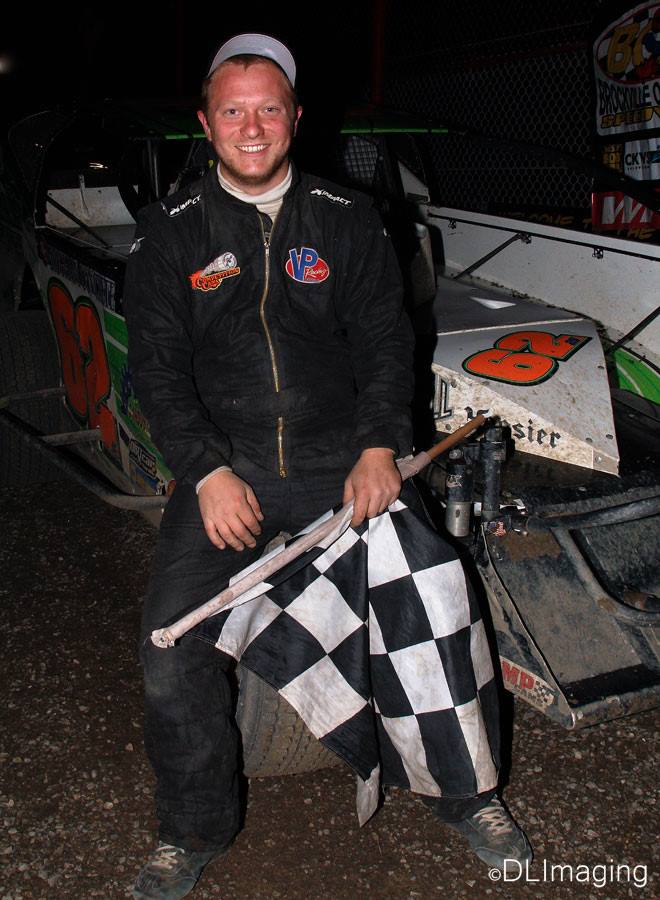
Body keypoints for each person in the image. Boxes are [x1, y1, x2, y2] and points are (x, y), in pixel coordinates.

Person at [124, 33, 531, 900]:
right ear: (206, 123)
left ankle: (469, 796)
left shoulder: (346, 217)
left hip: (341, 459)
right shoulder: (170, 232)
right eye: (233, 111)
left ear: (296, 117)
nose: (252, 126)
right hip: (226, 469)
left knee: (435, 598)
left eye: (269, 109)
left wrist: (379, 445)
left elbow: (386, 340)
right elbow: (155, 369)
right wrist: (205, 471)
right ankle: (192, 831)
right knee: (172, 649)